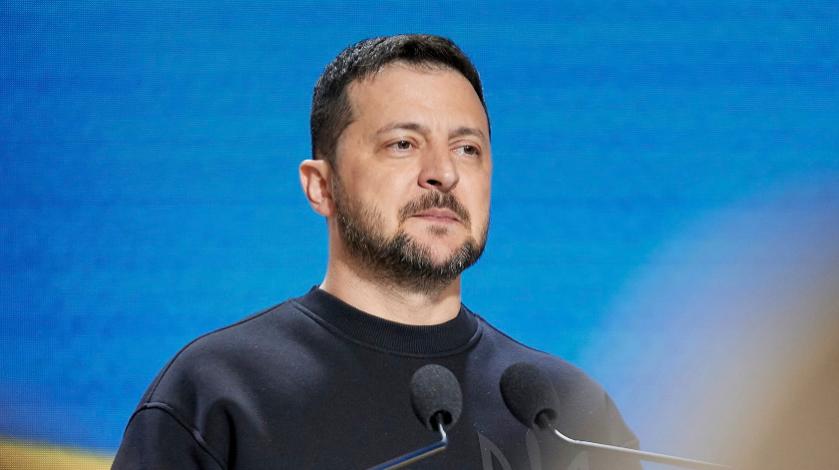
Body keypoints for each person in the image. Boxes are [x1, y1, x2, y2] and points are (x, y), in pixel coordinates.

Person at [112, 34, 640, 470]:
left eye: (467, 149)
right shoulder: (217, 393)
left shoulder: (569, 414)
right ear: (321, 186)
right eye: (403, 144)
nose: (444, 173)